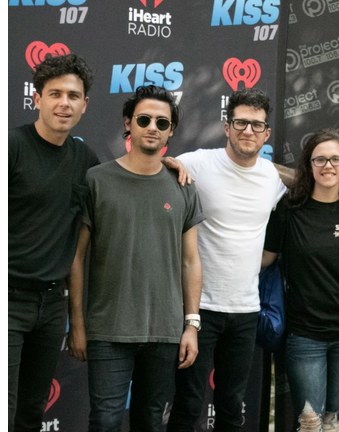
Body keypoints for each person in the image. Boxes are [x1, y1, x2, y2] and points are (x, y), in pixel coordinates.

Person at [67, 85, 205, 431]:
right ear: (128, 123)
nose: (152, 127)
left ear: (171, 130)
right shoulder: (96, 180)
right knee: (106, 421)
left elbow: (191, 261)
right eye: (144, 119)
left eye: (162, 122)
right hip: (108, 330)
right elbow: (76, 257)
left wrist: (191, 325)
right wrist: (79, 324)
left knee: (151, 422)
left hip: (165, 332)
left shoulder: (184, 185)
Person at [168, 88, 287, 431]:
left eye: (256, 125)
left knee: (232, 407)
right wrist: (166, 163)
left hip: (246, 312)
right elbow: (157, 167)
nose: (247, 131)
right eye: (240, 123)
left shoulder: (271, 177)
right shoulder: (197, 163)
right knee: (188, 403)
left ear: (266, 133)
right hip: (198, 309)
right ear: (227, 126)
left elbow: (303, 183)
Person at [262, 129, 339, 432]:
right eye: (320, 159)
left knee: (332, 423)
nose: (328, 166)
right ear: (309, 166)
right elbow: (263, 260)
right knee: (310, 425)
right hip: (305, 335)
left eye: (335, 159)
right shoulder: (289, 210)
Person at [8, 53, 98, 432]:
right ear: (36, 98)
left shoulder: (84, 158)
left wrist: (171, 166)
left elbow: (130, 178)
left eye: (73, 96)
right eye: (55, 93)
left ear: (85, 104)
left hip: (50, 307)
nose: (65, 103)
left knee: (31, 411)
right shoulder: (11, 147)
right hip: (5, 298)